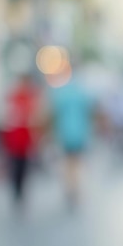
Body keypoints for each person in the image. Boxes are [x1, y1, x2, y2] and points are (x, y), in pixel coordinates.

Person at [49, 75, 95, 206]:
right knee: (77, 163)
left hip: (65, 135)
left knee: (67, 163)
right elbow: (88, 114)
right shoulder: (82, 94)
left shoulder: (61, 95)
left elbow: (55, 115)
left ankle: (69, 186)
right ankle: (75, 186)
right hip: (80, 135)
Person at [0, 73, 45, 205]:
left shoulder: (30, 97)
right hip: (15, 137)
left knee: (24, 165)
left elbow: (35, 117)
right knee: (16, 165)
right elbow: (7, 116)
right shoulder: (13, 97)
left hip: (25, 138)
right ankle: (16, 189)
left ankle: (21, 190)